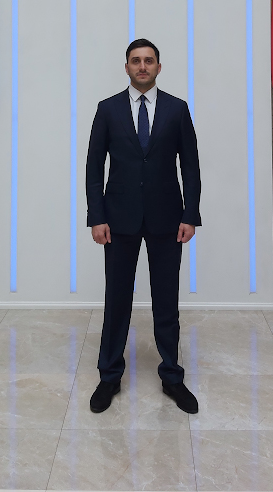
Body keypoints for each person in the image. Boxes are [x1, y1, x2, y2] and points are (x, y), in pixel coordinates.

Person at [86, 38, 201, 414]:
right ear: (126, 67)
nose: (142, 66)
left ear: (158, 67)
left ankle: (172, 377)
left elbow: (191, 167)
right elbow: (93, 168)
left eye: (149, 60)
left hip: (168, 219)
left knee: (166, 301)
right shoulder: (107, 109)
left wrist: (190, 214)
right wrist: (97, 216)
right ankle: (109, 376)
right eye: (135, 61)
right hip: (118, 220)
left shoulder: (177, 109)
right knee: (116, 300)